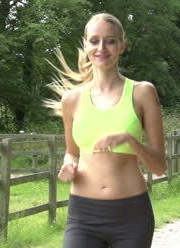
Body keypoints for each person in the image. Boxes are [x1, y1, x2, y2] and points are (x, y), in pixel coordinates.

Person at [45, 13, 166, 248]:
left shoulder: (142, 93)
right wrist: (68, 164)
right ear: (86, 45)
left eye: (110, 41)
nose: (102, 47)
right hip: (82, 216)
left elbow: (159, 167)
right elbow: (72, 151)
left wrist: (130, 140)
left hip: (131, 215)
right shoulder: (71, 100)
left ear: (122, 46)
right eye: (94, 40)